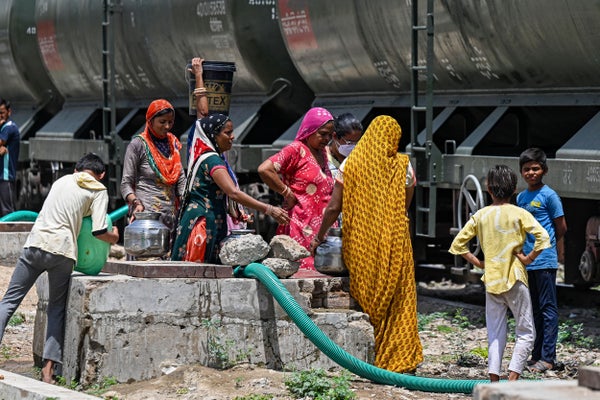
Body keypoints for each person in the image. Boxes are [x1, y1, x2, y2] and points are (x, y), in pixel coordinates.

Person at [0, 153, 119, 384]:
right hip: (62, 252)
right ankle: (48, 372)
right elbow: (98, 230)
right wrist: (113, 238)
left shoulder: (61, 181)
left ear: (76, 169)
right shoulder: (99, 190)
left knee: (8, 302)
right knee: (56, 309)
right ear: (102, 175)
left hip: (35, 244)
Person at [316, 115, 422, 372]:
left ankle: (372, 355)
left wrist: (320, 235)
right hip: (396, 241)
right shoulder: (404, 165)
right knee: (399, 298)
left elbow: (333, 207)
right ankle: (401, 358)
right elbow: (405, 203)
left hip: (362, 242)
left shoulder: (350, 164)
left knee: (371, 293)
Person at [449, 164, 551, 382]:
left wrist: (479, 263)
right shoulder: (520, 213)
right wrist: (528, 258)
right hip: (515, 278)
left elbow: (458, 245)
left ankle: (494, 380)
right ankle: (512, 379)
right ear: (514, 189)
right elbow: (544, 238)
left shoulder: (480, 215)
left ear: (489, 189)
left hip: (492, 280)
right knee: (525, 331)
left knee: (495, 333)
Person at [172, 113, 290, 264]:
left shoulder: (208, 157)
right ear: (213, 135)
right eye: (227, 133)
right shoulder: (212, 160)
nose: (233, 137)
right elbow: (233, 193)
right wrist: (269, 209)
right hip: (203, 227)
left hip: (204, 221)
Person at [258, 107, 336, 275]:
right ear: (310, 130)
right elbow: (265, 169)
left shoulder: (323, 152)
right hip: (300, 227)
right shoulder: (296, 150)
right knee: (302, 275)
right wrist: (287, 193)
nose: (327, 139)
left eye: (330, 135)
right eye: (322, 134)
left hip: (323, 230)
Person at [516, 148, 567, 374]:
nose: (531, 173)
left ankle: (548, 358)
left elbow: (561, 227)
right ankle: (536, 355)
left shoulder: (550, 196)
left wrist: (555, 250)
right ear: (521, 172)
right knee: (534, 309)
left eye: (535, 168)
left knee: (547, 308)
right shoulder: (520, 197)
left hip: (544, 259)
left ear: (544, 170)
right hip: (527, 261)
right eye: (526, 169)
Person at [121, 98, 187, 254]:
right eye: (162, 122)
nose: (167, 127)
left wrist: (185, 201)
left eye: (170, 122)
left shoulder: (173, 144)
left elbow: (180, 177)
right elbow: (126, 183)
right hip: (146, 215)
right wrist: (136, 203)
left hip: (170, 216)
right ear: (150, 121)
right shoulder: (138, 145)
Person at [327, 113, 363, 178]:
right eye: (349, 142)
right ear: (335, 136)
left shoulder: (358, 159)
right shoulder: (323, 159)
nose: (354, 146)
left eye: (357, 142)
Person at [0, 98, 20, 217]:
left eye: (2, 112)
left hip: (5, 176)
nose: (0, 116)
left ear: (9, 112)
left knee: (7, 212)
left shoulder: (9, 127)